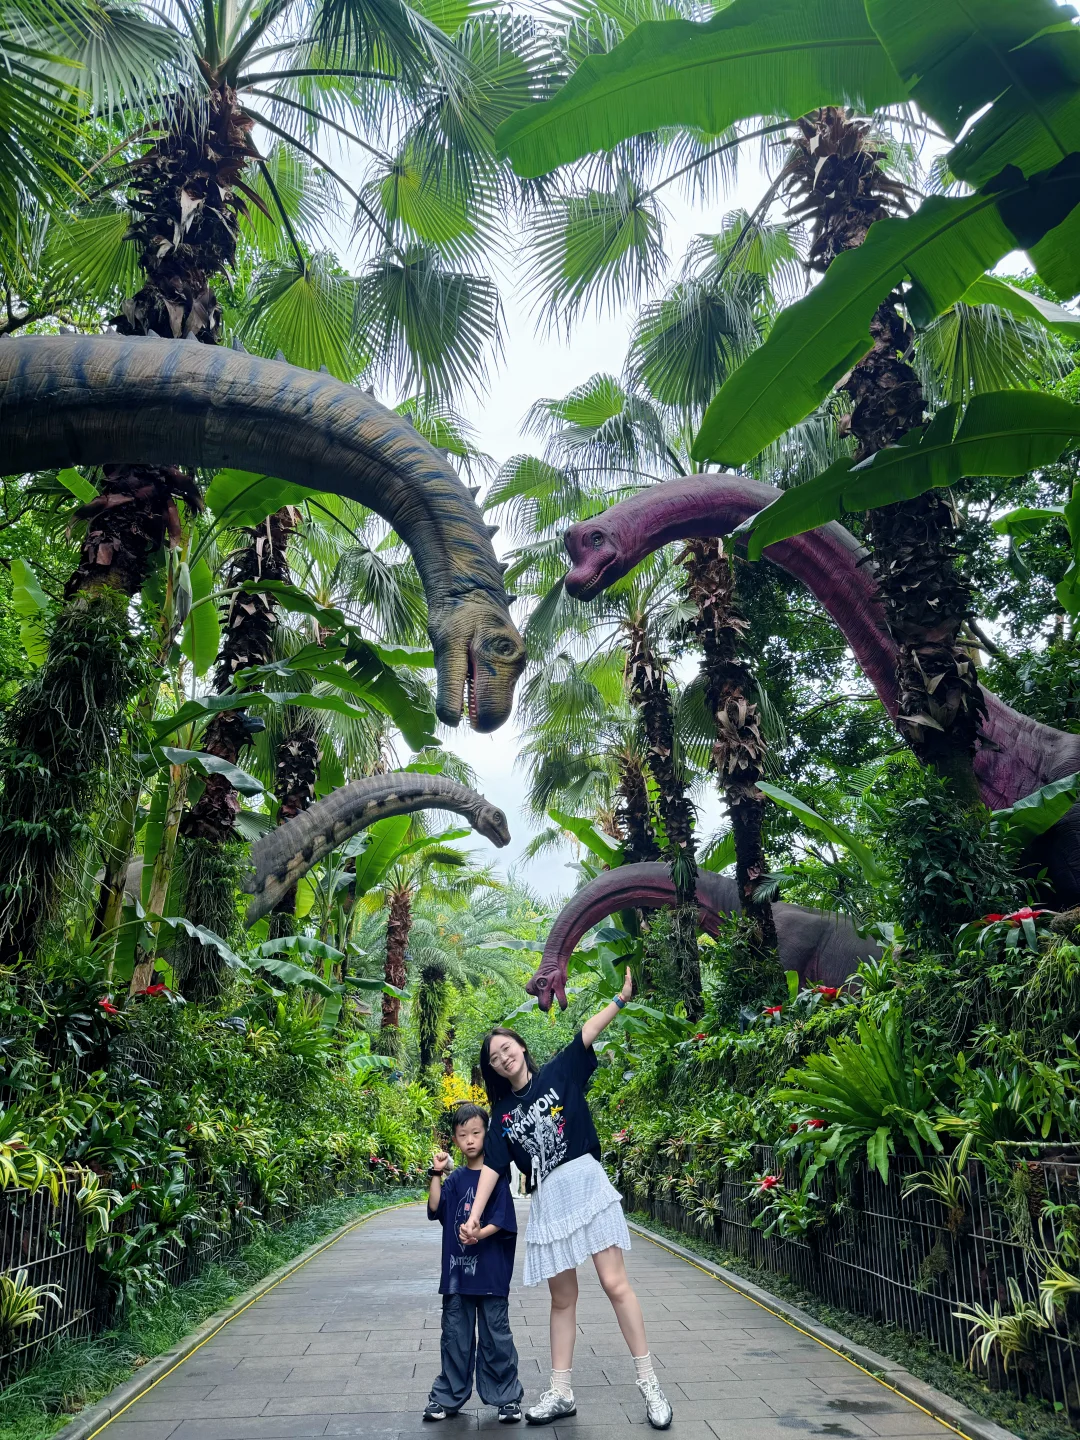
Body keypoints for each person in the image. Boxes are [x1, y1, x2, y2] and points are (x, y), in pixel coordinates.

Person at [460, 968, 673, 1430]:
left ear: (520, 1047)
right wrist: (472, 1219)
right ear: (493, 1069)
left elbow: (587, 1032)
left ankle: (649, 1384)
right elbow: (494, 1171)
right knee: (563, 1299)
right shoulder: (501, 1116)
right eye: (494, 1058)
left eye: (506, 1049)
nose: (503, 1058)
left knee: (615, 1284)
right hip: (551, 1198)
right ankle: (561, 1391)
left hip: (585, 1182)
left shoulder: (559, 1071)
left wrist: (620, 998)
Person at [424, 1102, 524, 1425]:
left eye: (476, 1133)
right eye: (462, 1135)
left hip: (491, 1275)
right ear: (455, 1140)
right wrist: (436, 1173)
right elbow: (436, 1208)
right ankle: (446, 1397)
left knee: (497, 1337)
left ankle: (507, 1398)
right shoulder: (454, 1180)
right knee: (454, 1336)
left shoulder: (495, 1177)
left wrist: (480, 1233)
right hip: (457, 1277)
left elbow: (504, 1220)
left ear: (486, 1135)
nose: (470, 1140)